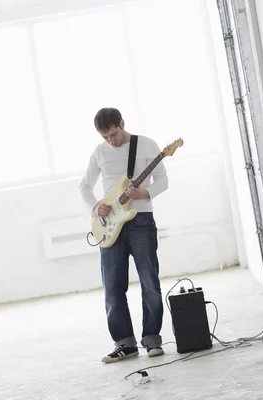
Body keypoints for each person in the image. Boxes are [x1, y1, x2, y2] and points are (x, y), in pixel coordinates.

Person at [79, 107, 169, 363]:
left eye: (114, 134)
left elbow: (163, 180)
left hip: (141, 221)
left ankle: (152, 339)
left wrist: (146, 193)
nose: (111, 141)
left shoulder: (148, 145)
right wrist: (96, 207)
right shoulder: (100, 152)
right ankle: (125, 344)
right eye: (105, 137)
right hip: (109, 225)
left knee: (150, 283)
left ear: (122, 123)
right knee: (112, 288)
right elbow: (84, 186)